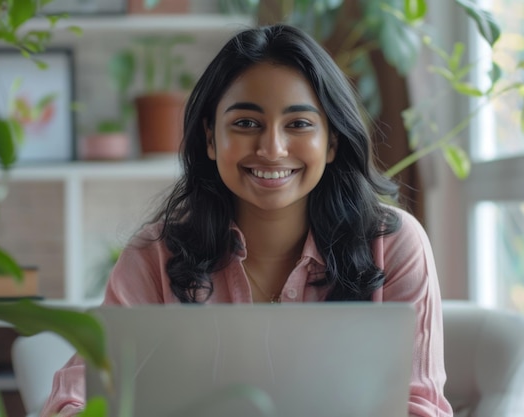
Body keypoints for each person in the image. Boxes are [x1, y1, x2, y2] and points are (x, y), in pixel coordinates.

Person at [41, 23, 452, 417]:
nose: (272, 148)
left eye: (299, 124)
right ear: (209, 139)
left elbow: (420, 408)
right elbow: (75, 398)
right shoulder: (155, 257)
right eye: (246, 123)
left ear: (332, 142)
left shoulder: (393, 245)